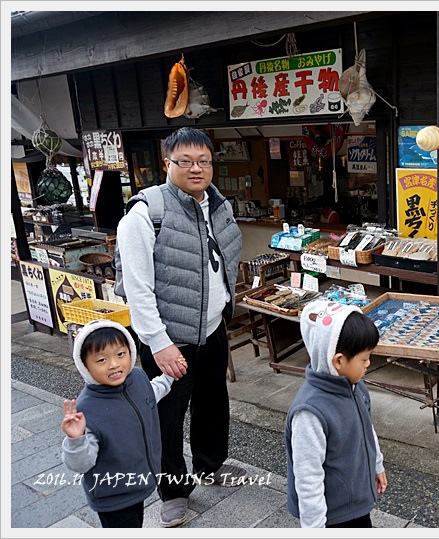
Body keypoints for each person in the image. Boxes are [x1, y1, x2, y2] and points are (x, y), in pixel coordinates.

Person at [116, 127, 244, 527]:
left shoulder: (218, 204)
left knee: (212, 400)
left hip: (212, 329)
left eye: (203, 161)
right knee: (167, 417)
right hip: (170, 338)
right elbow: (137, 289)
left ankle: (210, 465)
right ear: (166, 161)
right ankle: (172, 490)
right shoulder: (145, 213)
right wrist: (159, 343)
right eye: (185, 161)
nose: (196, 168)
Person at [61, 320, 179, 528]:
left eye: (120, 354)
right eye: (101, 359)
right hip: (112, 496)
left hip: (138, 483)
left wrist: (169, 377)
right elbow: (80, 464)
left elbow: (150, 394)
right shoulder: (88, 410)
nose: (114, 364)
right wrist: (76, 439)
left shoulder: (137, 378)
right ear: (85, 366)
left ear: (130, 352)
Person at [285, 300, 388, 528]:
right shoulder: (310, 412)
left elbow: (367, 429)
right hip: (333, 515)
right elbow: (308, 478)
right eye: (364, 358)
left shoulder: (354, 386)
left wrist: (377, 465)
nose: (368, 363)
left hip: (356, 501)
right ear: (339, 361)